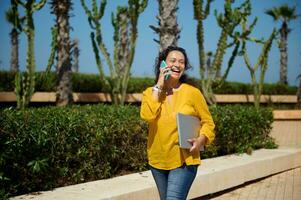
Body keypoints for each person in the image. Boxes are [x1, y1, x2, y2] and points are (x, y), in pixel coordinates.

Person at [140, 46, 215, 200]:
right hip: (157, 161)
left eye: (181, 62)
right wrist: (160, 84)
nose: (177, 64)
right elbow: (148, 116)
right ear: (163, 64)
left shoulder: (192, 93)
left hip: (184, 160)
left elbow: (208, 122)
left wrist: (201, 139)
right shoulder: (150, 93)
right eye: (173, 60)